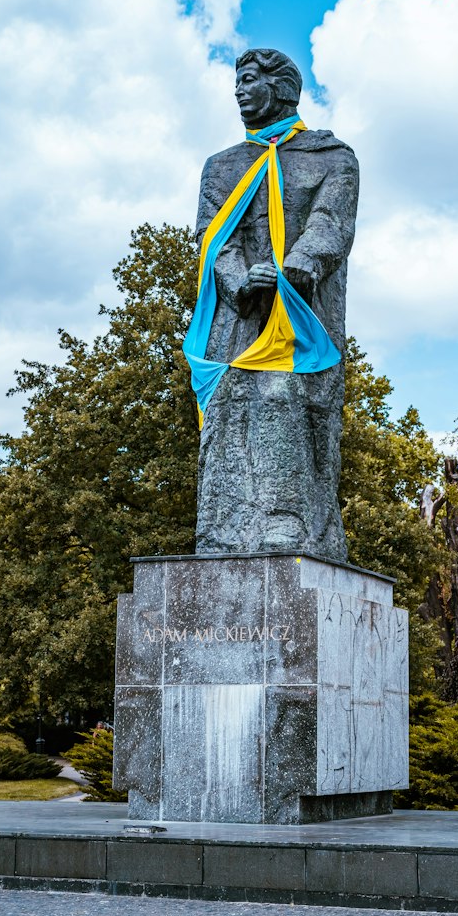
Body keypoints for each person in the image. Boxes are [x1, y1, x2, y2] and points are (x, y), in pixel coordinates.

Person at [185, 48, 359, 562]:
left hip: (300, 317)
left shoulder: (331, 158)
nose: (238, 90)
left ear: (280, 88)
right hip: (236, 318)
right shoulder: (221, 168)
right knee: (227, 408)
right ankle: (219, 533)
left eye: (248, 80)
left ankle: (290, 523)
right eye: (236, 81)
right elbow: (213, 237)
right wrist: (241, 279)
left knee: (284, 400)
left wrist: (295, 268)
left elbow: (331, 223)